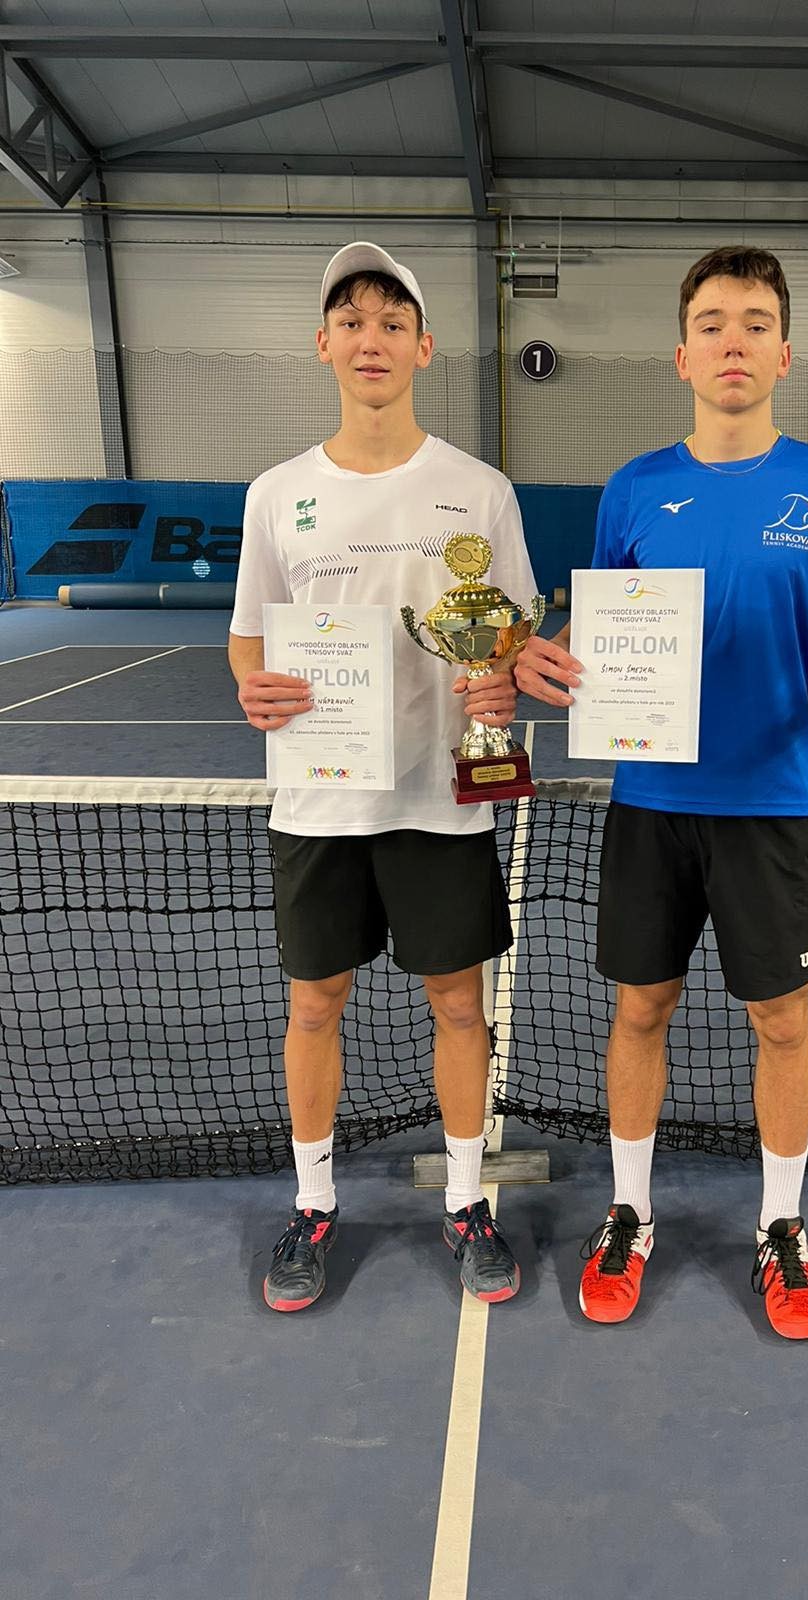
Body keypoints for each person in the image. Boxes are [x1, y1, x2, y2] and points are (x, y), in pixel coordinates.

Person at [515, 245, 808, 1340]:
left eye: (755, 322)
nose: (733, 340)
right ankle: (629, 1213)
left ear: (785, 353)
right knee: (640, 1009)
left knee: (782, 1020)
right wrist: (554, 661)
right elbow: (607, 630)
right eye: (712, 323)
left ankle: (782, 1227)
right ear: (682, 355)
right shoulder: (633, 488)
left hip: (772, 805)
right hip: (651, 803)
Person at [229, 242, 535, 1312]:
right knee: (316, 1003)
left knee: (459, 1003)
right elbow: (249, 639)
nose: (373, 340)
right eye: (353, 322)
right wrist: (254, 688)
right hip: (318, 798)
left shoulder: (479, 491)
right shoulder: (277, 495)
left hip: (442, 797)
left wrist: (499, 686)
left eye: (392, 323)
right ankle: (313, 1203)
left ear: (424, 347)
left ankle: (466, 1199)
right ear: (324, 345)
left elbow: (509, 635)